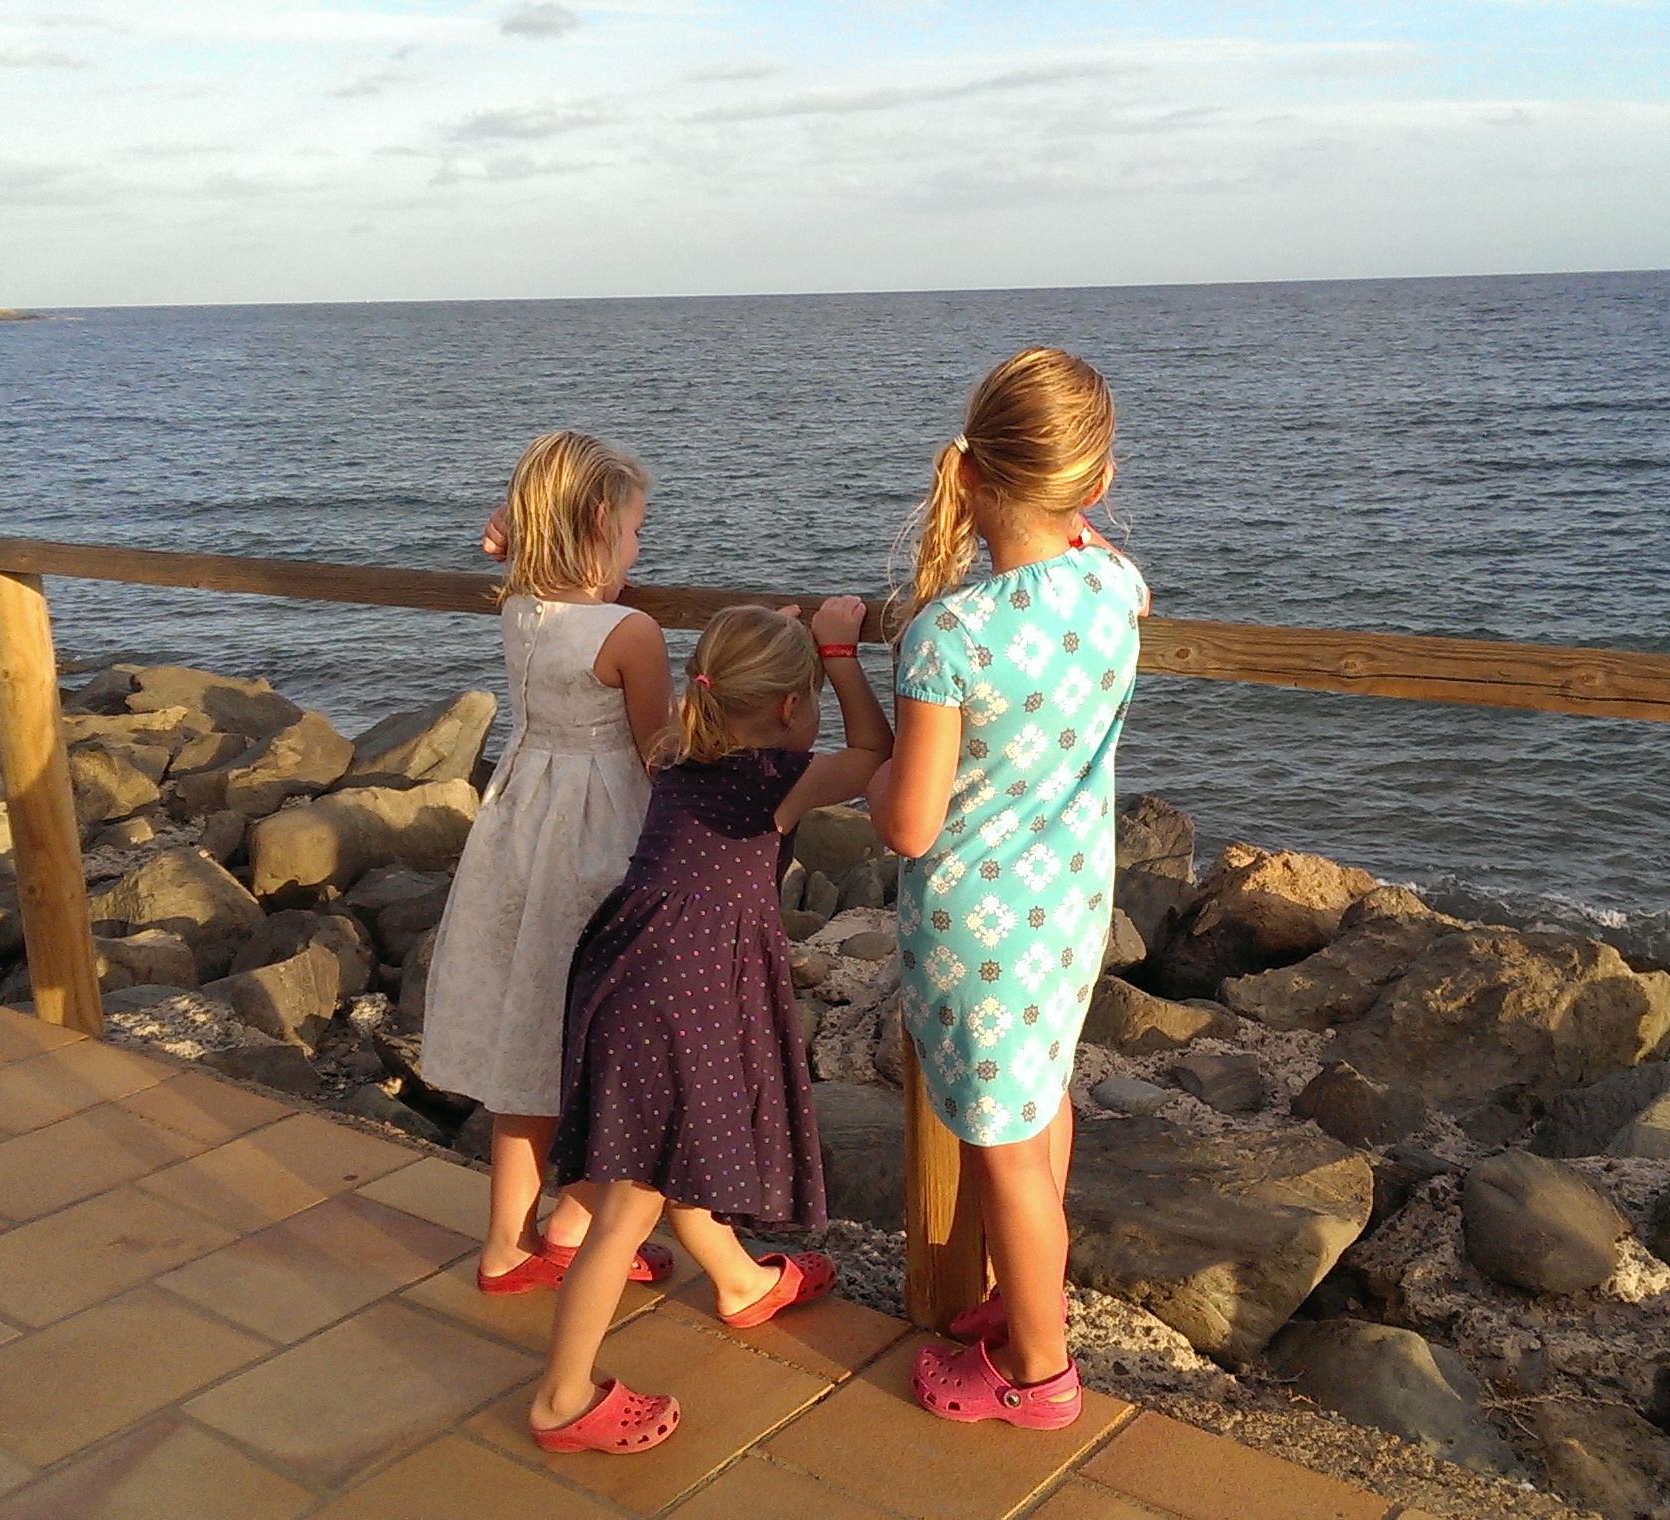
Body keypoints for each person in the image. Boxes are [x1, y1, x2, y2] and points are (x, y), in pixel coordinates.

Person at [525, 599, 894, 1453]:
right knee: (627, 1209)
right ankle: (561, 1399)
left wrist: (781, 647)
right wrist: (840, 652)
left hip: (631, 970)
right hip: (681, 995)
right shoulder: (774, 781)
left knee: (679, 1147)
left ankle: (739, 1282)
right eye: (805, 697)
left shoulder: (675, 753)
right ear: (791, 707)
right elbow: (875, 753)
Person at [867, 347, 1147, 1430]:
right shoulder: (1113, 589)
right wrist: (1081, 531)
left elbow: (909, 822)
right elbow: (1107, 560)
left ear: (970, 471)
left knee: (1005, 1147)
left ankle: (1040, 1373)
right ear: (1096, 486)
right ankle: (1028, 1298)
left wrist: (867, 760)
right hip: (1069, 909)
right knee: (1041, 1107)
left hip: (978, 932)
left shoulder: (950, 635)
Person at [427, 430, 678, 1295]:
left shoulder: (522, 606)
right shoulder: (632, 632)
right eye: (637, 531)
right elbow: (660, 754)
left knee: (532, 1037)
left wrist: (517, 531)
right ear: (602, 523)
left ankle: (514, 1241)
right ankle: (580, 1221)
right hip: (600, 839)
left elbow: (513, 541)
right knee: (610, 1036)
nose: (641, 548)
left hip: (523, 819)